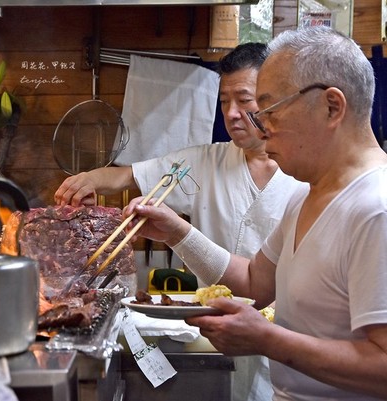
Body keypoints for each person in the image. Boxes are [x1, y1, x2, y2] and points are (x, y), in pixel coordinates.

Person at [122, 26, 387, 400]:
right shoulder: (308, 196)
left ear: (331, 106)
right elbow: (253, 282)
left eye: (270, 110)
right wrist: (177, 233)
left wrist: (268, 340)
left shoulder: (377, 209)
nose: (262, 128)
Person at [55, 43, 306, 401]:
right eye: (223, 101)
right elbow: (129, 176)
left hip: (283, 341)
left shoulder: (305, 175)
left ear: (272, 97)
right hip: (210, 337)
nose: (232, 113)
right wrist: (89, 180)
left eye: (244, 100)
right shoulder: (205, 162)